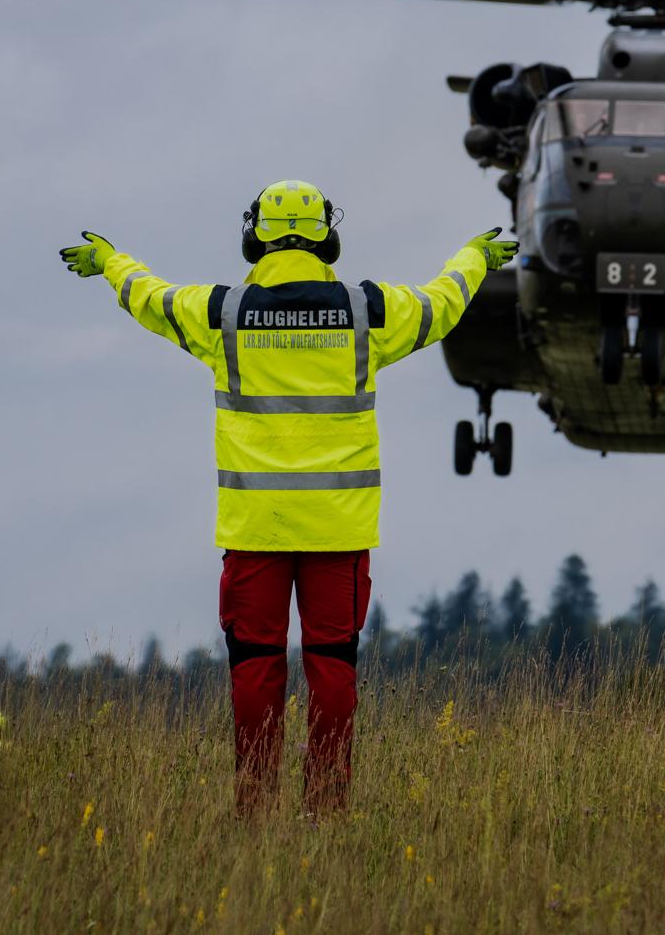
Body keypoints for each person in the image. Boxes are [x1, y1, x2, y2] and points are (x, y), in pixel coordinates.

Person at [59, 179, 515, 813]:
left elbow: (151, 297)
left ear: (256, 237)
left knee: (253, 669)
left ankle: (254, 807)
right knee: (333, 670)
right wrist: (474, 257)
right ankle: (324, 811)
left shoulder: (222, 312)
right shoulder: (367, 311)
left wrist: (110, 261)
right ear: (328, 236)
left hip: (255, 529)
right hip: (337, 529)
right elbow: (441, 305)